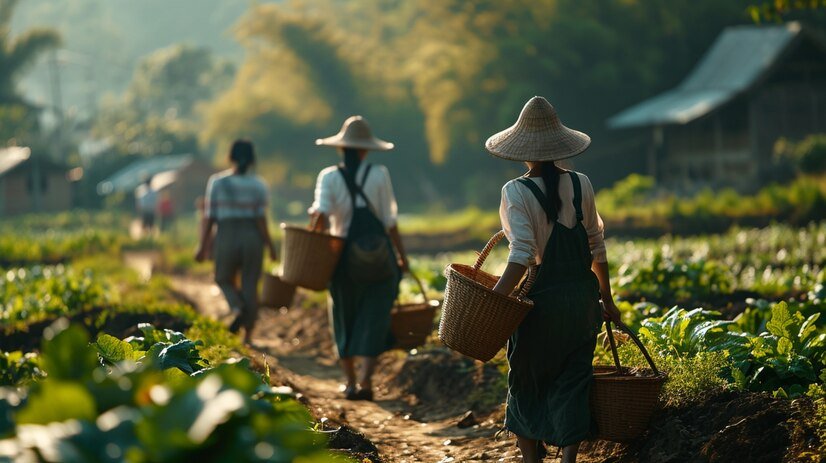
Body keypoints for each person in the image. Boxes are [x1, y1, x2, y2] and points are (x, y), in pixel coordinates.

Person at [486, 97, 622, 463]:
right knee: (573, 382)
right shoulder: (581, 184)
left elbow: (521, 257)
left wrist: (494, 303)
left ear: (522, 150)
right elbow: (597, 248)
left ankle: (532, 459)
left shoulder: (515, 192)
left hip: (540, 308)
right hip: (581, 304)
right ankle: (568, 460)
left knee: (526, 384)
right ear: (560, 145)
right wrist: (606, 300)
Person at [309, 115, 409, 401]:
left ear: (341, 148)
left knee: (344, 316)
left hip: (340, 259)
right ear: (366, 149)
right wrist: (402, 258)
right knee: (375, 317)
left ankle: (350, 381)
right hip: (379, 258)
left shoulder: (328, 176)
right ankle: (366, 382)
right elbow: (390, 221)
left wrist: (313, 248)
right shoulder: (379, 174)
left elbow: (321, 215)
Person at [195, 140, 277, 344]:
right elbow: (261, 219)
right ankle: (248, 335)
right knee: (250, 284)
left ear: (230, 157)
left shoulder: (217, 182)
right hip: (252, 236)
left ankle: (236, 307)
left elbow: (210, 216)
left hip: (226, 233)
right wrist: (270, 246)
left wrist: (203, 246)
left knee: (222, 277)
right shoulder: (259, 184)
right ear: (252, 159)